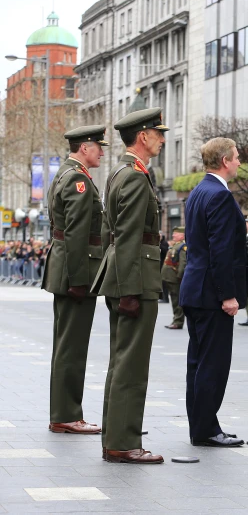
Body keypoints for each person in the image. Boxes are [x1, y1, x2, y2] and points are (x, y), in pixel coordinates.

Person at [92, 107, 168, 464]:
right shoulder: (135, 177)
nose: (162, 139)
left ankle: (116, 436)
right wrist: (130, 291)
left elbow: (112, 233)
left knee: (121, 360)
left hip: (125, 276)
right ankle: (123, 443)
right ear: (143, 136)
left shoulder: (120, 172)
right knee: (131, 365)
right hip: (135, 278)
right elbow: (127, 237)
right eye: (158, 133)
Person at [179, 137, 248, 448]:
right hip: (211, 295)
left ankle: (204, 424)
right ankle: (206, 430)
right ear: (224, 160)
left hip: (195, 289)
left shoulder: (198, 192)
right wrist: (228, 295)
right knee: (213, 364)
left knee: (198, 362)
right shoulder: (219, 195)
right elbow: (220, 252)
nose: (238, 162)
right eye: (236, 158)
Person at [42, 125, 108, 436]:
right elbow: (78, 233)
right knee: (72, 346)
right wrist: (81, 280)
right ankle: (67, 415)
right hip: (75, 272)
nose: (102, 153)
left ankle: (64, 413)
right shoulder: (78, 179)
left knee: (66, 344)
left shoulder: (64, 173)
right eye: (98, 147)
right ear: (85, 147)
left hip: (66, 269)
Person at [162, 227, 187, 329]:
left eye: (175, 234)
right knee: (174, 299)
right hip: (170, 277)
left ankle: (178, 321)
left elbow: (183, 263)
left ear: (182, 235)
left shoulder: (183, 246)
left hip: (175, 278)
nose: (173, 235)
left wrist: (179, 277)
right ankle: (176, 319)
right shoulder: (176, 245)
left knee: (177, 300)